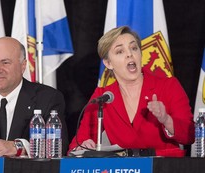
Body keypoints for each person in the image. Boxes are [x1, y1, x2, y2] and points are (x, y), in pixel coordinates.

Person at [68, 26, 194, 157]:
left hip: (164, 169)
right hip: (125, 172)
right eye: (120, 51)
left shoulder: (168, 86)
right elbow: (77, 144)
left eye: (134, 48)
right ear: (108, 63)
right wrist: (83, 145)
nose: (129, 54)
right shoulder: (103, 96)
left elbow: (190, 135)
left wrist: (166, 119)